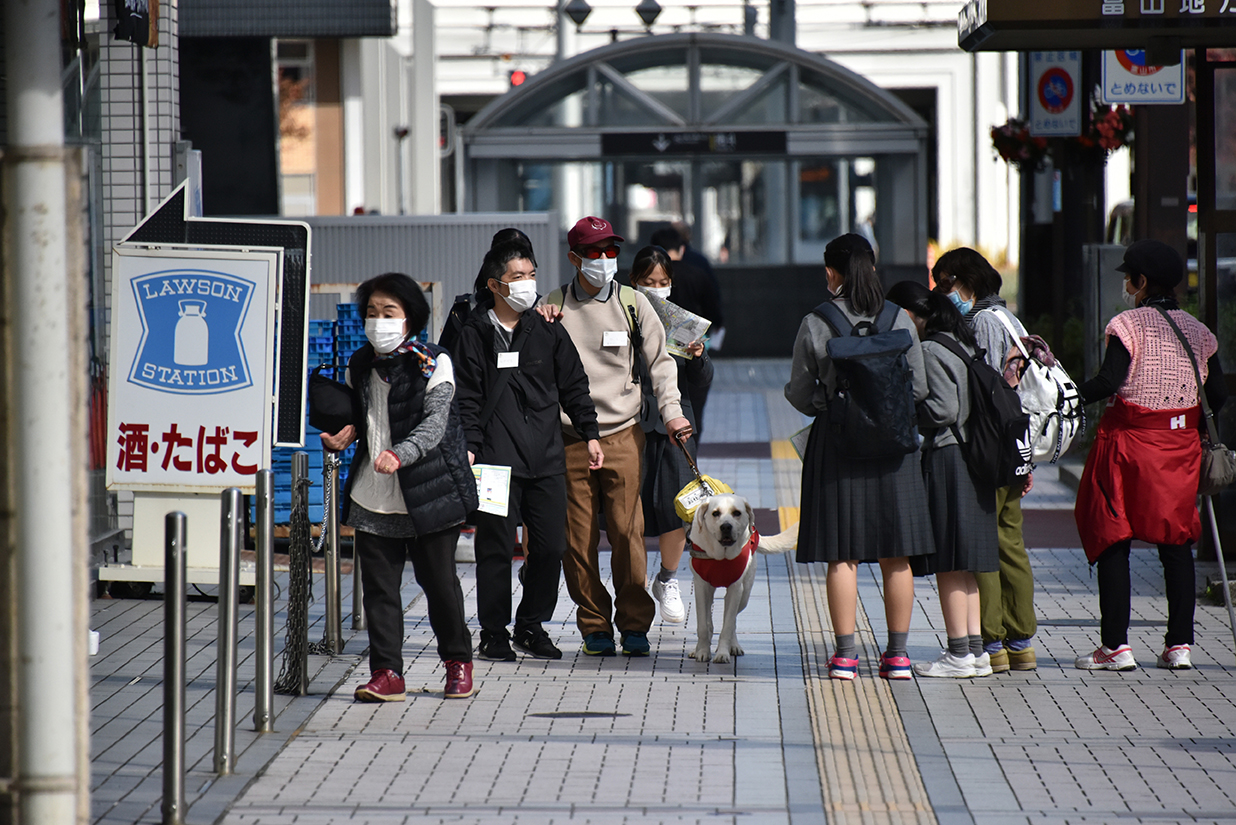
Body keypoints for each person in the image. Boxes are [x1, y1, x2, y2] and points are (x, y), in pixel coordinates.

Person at [323, 272, 479, 702]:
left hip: (428, 493)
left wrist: (401, 453)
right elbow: (366, 417)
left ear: (410, 318)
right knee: (378, 591)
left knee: (440, 586)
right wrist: (345, 436)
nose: (378, 321)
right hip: (372, 493)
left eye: (388, 312)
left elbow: (435, 423)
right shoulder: (361, 363)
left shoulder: (433, 361)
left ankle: (457, 662)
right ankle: (387, 673)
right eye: (371, 313)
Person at [784, 234, 933, 681]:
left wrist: (828, 406)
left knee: (842, 555)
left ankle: (845, 657)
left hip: (838, 445)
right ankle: (898, 657)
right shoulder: (900, 319)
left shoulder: (817, 321)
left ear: (832, 273)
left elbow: (798, 393)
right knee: (897, 555)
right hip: (894, 449)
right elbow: (920, 389)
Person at [1073, 240, 1227, 671]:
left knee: (1115, 539)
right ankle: (1179, 645)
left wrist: (1068, 394)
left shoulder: (1128, 325)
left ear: (1141, 282)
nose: (1126, 284)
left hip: (1128, 448)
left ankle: (1116, 647)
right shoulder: (1200, 333)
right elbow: (1217, 394)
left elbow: (1109, 381)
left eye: (1129, 278)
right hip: (1178, 452)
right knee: (1176, 543)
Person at [543, 216, 692, 657]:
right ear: (574, 258)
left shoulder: (633, 303)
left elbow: (662, 364)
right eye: (594, 253)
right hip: (569, 437)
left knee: (629, 533)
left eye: (611, 251)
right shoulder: (552, 306)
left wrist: (672, 414)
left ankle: (633, 624)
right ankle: (594, 626)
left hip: (624, 435)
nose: (605, 260)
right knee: (578, 538)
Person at [454, 241, 603, 662]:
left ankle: (531, 626)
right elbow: (465, 398)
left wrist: (590, 433)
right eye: (517, 277)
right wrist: (469, 448)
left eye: (531, 275)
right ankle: (494, 632)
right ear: (494, 285)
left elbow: (574, 385)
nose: (527, 284)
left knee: (551, 547)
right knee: (496, 550)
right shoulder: (475, 334)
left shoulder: (548, 329)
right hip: (495, 463)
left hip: (546, 460)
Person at [887, 280, 999, 679]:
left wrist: (907, 411)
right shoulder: (962, 341)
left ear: (915, 316)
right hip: (973, 455)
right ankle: (975, 651)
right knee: (966, 563)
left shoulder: (932, 349)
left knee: (950, 561)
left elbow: (943, 408)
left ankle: (957, 654)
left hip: (950, 455)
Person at [932, 247, 1037, 673]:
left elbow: (980, 393)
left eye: (945, 284)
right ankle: (1022, 642)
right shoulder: (1010, 318)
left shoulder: (979, 323)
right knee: (1011, 543)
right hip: (1014, 445)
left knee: (985, 545)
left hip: (987, 450)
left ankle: (990, 641)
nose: (942, 293)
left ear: (966, 283)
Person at [628, 245, 715, 624]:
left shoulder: (681, 324)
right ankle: (633, 584)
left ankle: (667, 578)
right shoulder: (622, 317)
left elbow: (702, 381)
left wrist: (698, 357)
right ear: (634, 283)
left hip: (676, 424)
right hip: (630, 424)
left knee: (678, 504)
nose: (658, 289)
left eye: (663, 282)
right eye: (649, 283)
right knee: (629, 508)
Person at [650, 226, 723, 435]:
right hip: (693, 347)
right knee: (693, 410)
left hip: (659, 347)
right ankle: (690, 453)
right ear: (681, 249)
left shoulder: (651, 276)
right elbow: (714, 310)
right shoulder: (698, 273)